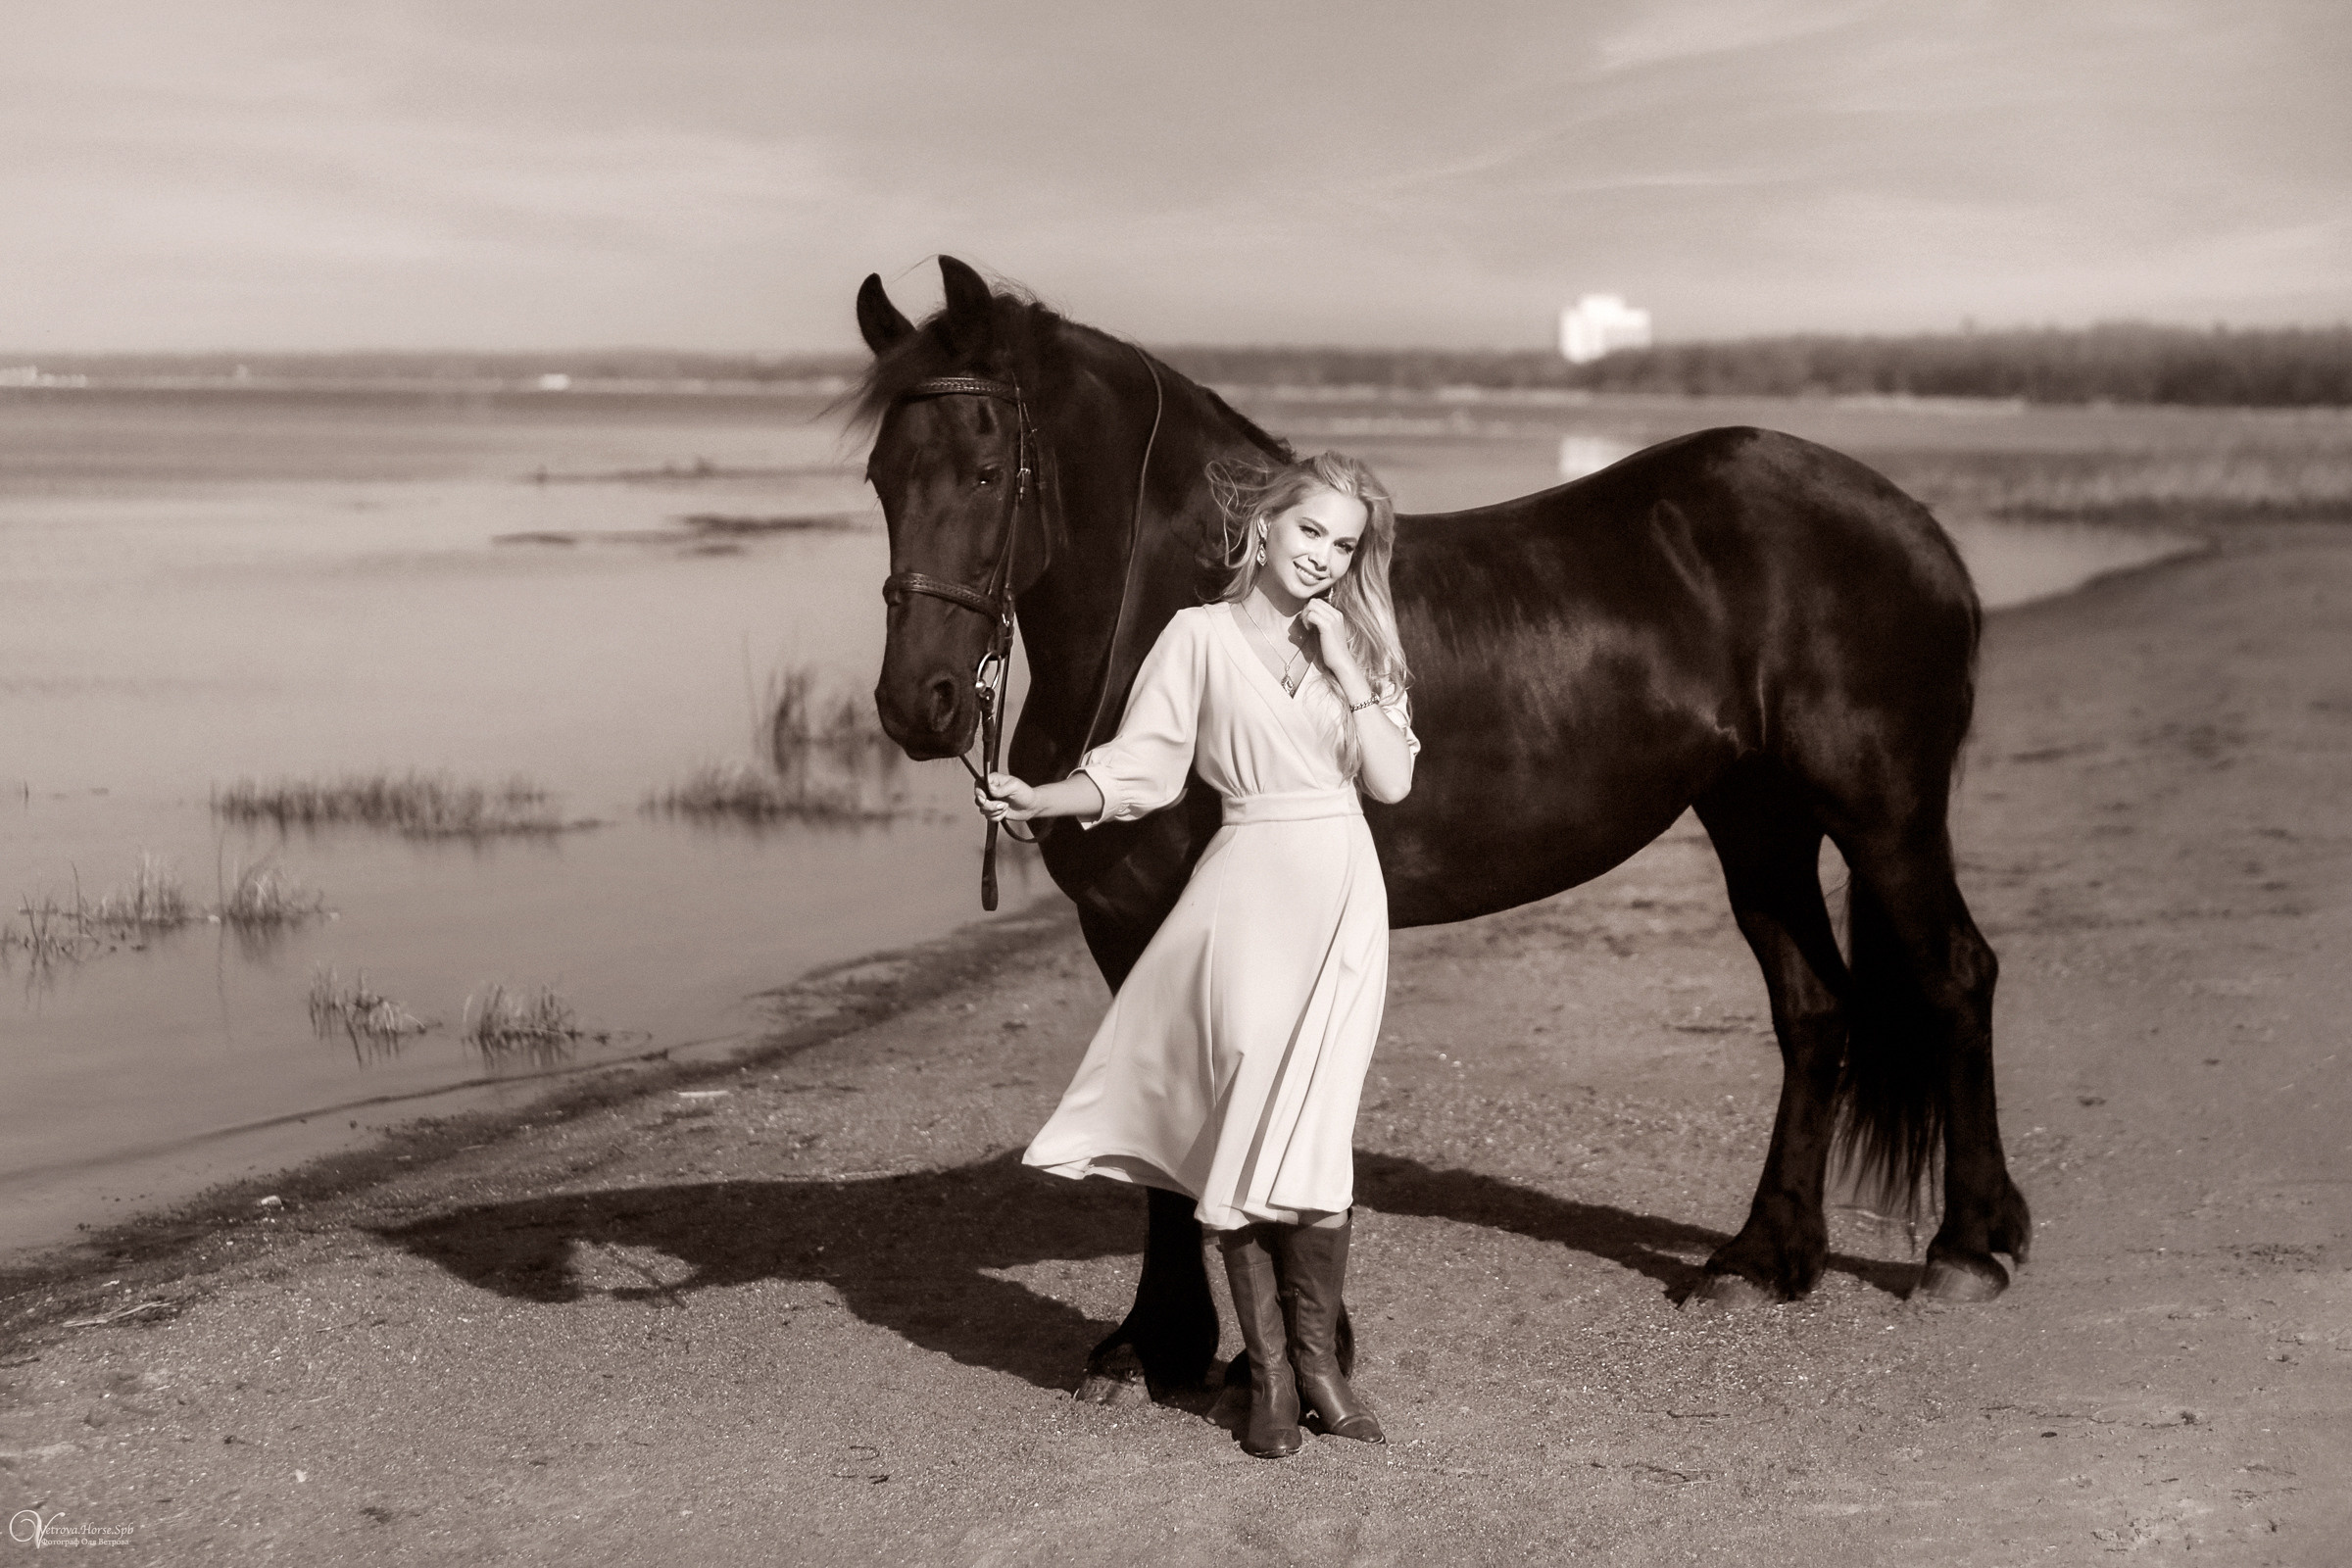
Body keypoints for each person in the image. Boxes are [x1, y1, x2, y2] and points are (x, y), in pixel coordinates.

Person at [976, 450, 1417, 1459]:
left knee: (1317, 1136)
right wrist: (1047, 797)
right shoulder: (1199, 637)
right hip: (1245, 893)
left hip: (1341, 896)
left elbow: (1390, 782)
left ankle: (1318, 1368)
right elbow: (1144, 765)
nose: (1322, 556)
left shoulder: (1362, 640)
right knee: (1240, 1126)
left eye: (1343, 544)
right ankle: (1264, 1376)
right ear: (1265, 526)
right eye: (1310, 531)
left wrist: (1350, 671)